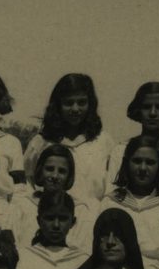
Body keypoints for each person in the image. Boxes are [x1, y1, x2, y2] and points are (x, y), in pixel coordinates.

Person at [23, 73, 117, 205]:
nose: (75, 109)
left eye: (81, 102)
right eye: (68, 103)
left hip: (93, 213)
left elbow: (112, 186)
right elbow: (28, 183)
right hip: (52, 214)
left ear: (90, 104)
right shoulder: (40, 143)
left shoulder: (104, 141)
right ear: (58, 105)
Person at [100, 134, 159, 260]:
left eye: (150, 162)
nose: (143, 168)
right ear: (126, 163)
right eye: (137, 161)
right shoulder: (110, 202)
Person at [10, 144, 95, 251]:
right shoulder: (23, 205)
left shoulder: (80, 210)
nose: (55, 176)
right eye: (49, 169)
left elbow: (82, 249)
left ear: (69, 175)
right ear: (40, 171)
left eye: (62, 171)